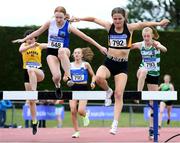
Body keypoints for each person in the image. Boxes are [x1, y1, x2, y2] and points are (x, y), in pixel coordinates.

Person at [71, 7, 169, 135]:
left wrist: (159, 23)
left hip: (122, 66)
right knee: (99, 78)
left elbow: (144, 24)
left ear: (124, 18)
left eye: (120, 19)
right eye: (115, 18)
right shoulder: (109, 26)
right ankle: (108, 91)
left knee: (118, 94)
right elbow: (94, 19)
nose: (117, 21)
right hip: (109, 62)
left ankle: (115, 124)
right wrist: (79, 18)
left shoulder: (129, 28)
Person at [12, 6, 107, 98]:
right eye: (56, 17)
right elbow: (37, 32)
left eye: (60, 17)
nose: (58, 20)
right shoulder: (50, 23)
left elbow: (85, 37)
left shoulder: (68, 26)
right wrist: (24, 39)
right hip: (51, 52)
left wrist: (99, 46)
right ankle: (57, 86)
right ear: (54, 16)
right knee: (57, 77)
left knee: (61, 51)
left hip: (64, 51)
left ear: (64, 16)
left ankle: (69, 77)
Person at [131, 27, 167, 139]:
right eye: (144, 36)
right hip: (142, 72)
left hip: (154, 75)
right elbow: (128, 46)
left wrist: (159, 46)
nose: (146, 38)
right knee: (144, 70)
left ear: (151, 36)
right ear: (143, 36)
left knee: (153, 103)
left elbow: (165, 49)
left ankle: (151, 129)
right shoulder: (141, 44)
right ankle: (138, 94)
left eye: (148, 36)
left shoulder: (156, 43)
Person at [18, 29, 47, 135]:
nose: (29, 40)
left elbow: (51, 45)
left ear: (35, 38)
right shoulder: (23, 45)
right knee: (31, 101)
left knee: (31, 70)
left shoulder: (39, 46)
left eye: (32, 38)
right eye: (28, 38)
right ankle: (35, 121)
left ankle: (34, 92)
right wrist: (30, 45)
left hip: (39, 72)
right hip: (27, 75)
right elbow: (21, 50)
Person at [69, 47, 96, 138]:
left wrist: (93, 82)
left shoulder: (86, 64)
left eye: (78, 53)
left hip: (83, 88)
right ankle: (76, 131)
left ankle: (85, 114)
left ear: (82, 55)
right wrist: (67, 80)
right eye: (75, 53)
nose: (76, 54)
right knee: (73, 110)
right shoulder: (69, 65)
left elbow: (93, 75)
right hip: (73, 89)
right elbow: (65, 77)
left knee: (80, 111)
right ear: (73, 55)